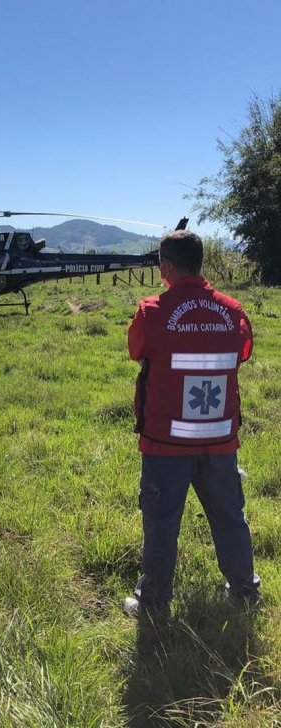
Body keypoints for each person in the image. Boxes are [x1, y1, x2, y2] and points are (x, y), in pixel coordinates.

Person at [123, 229, 260, 617]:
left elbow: (136, 350)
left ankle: (152, 604)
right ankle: (244, 593)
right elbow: (244, 352)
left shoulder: (151, 311)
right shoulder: (233, 310)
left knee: (162, 523)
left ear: (166, 266)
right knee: (230, 518)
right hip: (219, 441)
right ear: (199, 264)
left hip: (165, 444)